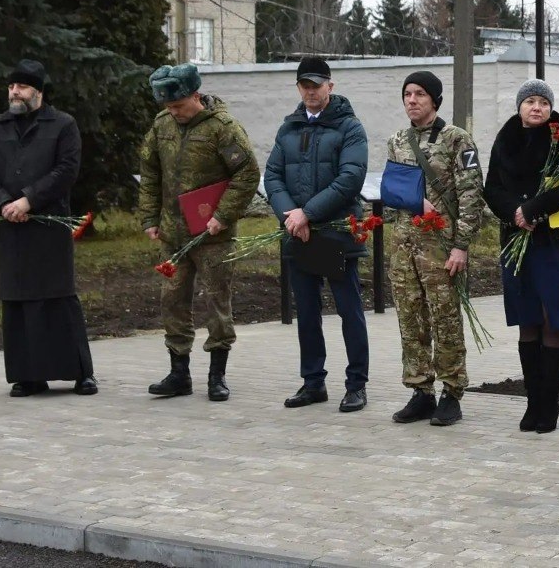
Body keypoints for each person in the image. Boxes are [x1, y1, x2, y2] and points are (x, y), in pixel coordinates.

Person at [0, 59, 97, 397]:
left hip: (47, 224)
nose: (15, 91)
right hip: (10, 227)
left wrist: (27, 200)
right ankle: (27, 376)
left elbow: (66, 170)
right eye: (12, 86)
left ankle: (80, 373)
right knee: (17, 299)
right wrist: (2, 204)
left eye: (23, 86)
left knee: (58, 296)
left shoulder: (62, 125)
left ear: (39, 92)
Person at [140, 63, 260, 401]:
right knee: (172, 300)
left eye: (178, 105)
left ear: (196, 96)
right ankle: (179, 373)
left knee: (217, 301)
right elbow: (149, 171)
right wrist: (149, 217)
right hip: (172, 233)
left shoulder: (223, 129)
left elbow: (247, 174)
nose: (173, 112)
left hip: (213, 235)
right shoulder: (162, 125)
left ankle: (217, 376)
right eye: (168, 106)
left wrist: (222, 216)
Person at [264, 57, 371, 414]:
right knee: (306, 312)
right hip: (299, 234)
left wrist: (307, 213)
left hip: (336, 233)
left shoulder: (350, 127)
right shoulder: (288, 128)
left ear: (330, 86)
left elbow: (350, 178)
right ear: (299, 88)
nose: (310, 91)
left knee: (348, 310)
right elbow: (273, 176)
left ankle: (356, 384)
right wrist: (291, 215)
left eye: (316, 84)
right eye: (304, 85)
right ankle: (313, 382)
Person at [483, 79, 559, 434]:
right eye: (530, 101)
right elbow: (491, 186)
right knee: (528, 318)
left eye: (543, 102)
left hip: (555, 241)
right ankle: (532, 402)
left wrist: (534, 209)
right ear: (520, 106)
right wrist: (514, 212)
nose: (537, 107)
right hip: (517, 238)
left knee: (551, 320)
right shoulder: (505, 138)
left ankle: (550, 404)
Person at [386, 70, 485, 427]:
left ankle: (451, 392)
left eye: (420, 95)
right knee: (410, 319)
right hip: (404, 245)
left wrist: (461, 247)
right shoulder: (397, 139)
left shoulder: (457, 139)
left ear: (435, 100)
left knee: (445, 320)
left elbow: (472, 196)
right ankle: (420, 391)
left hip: (440, 247)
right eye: (407, 94)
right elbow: (392, 189)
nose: (412, 100)